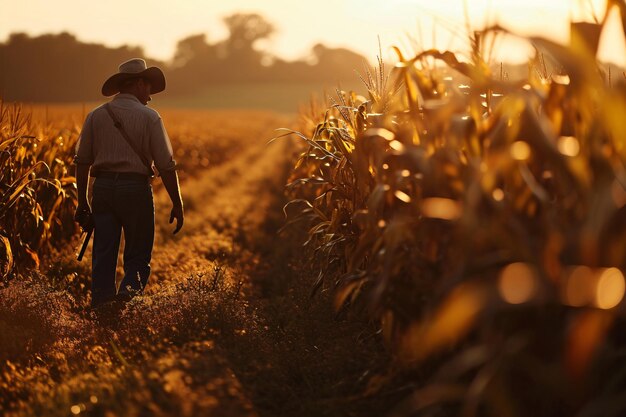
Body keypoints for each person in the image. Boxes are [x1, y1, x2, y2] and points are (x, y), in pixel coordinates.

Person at [73, 58, 184, 311]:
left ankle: (102, 309)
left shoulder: (96, 116)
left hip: (102, 189)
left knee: (103, 253)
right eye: (148, 88)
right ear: (139, 83)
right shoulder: (150, 117)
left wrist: (83, 201)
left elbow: (82, 162)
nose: (151, 96)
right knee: (137, 253)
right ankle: (125, 304)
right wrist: (177, 203)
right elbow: (166, 166)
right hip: (135, 189)